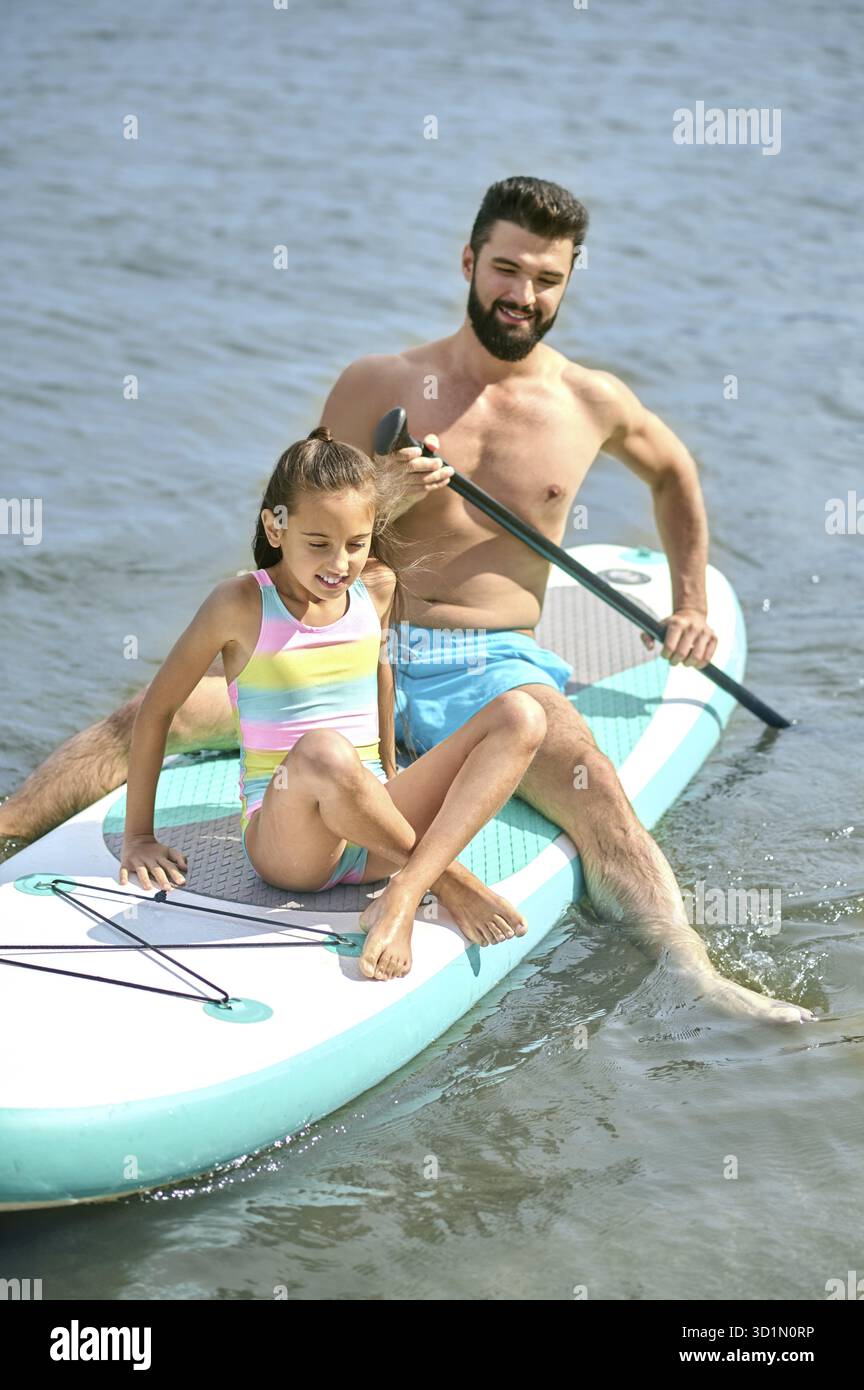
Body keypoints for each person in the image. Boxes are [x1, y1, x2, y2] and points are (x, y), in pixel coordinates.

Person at [0, 176, 814, 1023]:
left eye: (547, 278)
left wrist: (691, 602)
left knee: (588, 776)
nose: (522, 294)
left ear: (570, 281)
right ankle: (10, 827)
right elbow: (285, 528)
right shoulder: (374, 385)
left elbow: (674, 473)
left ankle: (694, 971)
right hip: (344, 648)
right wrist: (381, 489)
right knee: (141, 717)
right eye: (506, 269)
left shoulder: (589, 402)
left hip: (487, 660)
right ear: (470, 260)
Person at [118, 427, 546, 981]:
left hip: (377, 831)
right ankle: (449, 879)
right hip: (293, 847)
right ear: (277, 526)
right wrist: (139, 838)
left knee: (522, 713)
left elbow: (380, 676)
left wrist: (393, 777)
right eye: (318, 543)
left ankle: (404, 893)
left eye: (356, 543)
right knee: (323, 751)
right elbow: (156, 711)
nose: (339, 562)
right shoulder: (240, 603)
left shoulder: (378, 587)